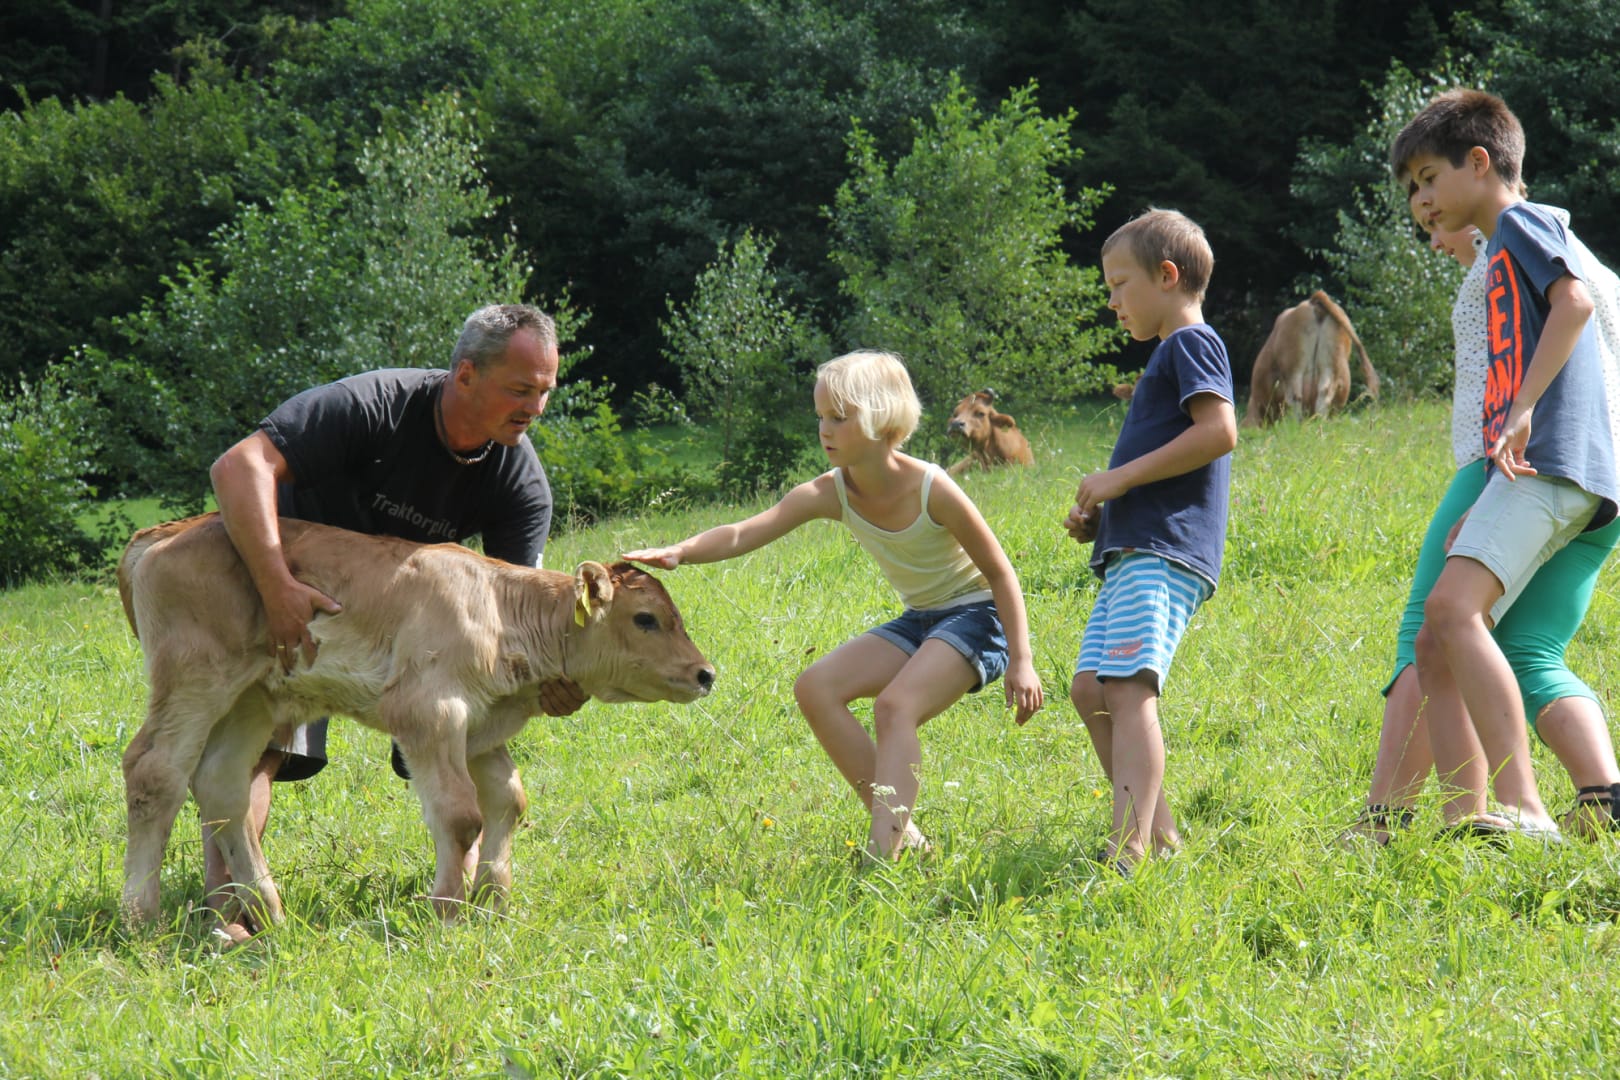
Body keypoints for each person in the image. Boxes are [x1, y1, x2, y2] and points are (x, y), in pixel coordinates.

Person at [206, 303, 585, 932]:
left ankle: (456, 898)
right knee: (262, 743)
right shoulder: (375, 405)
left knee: (461, 727)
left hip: (415, 625)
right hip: (305, 596)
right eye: (521, 389)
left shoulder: (520, 483)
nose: (536, 408)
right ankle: (231, 907)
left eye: (545, 391)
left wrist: (553, 682)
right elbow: (238, 466)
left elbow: (515, 614)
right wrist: (275, 588)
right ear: (466, 374)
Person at [622, 350, 1043, 863]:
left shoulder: (933, 487)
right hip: (922, 619)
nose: (825, 429)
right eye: (820, 416)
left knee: (895, 707)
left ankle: (881, 856)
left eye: (839, 417)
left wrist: (1022, 660)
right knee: (815, 687)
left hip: (979, 617)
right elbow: (743, 531)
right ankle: (904, 838)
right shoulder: (832, 491)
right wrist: (681, 551)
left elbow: (1001, 572)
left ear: (881, 419)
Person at [1352, 198, 1620, 844]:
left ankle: (1388, 820)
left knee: (1432, 628)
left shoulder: (1506, 250)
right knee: (1528, 648)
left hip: (1512, 463)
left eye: (1432, 216)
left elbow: (1504, 384)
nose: (1434, 237)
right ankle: (1602, 796)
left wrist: (1496, 459)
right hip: (1600, 473)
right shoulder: (1590, 262)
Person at [1064, 209, 1237, 872]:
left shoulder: (1191, 343)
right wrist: (1103, 517)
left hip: (1164, 552)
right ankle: (1160, 836)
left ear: (1167, 276)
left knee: (1128, 688)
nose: (1112, 301)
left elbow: (1218, 433)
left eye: (1119, 284)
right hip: (1133, 548)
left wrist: (1119, 478)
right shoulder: (1168, 356)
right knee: (1091, 689)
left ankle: (1129, 845)